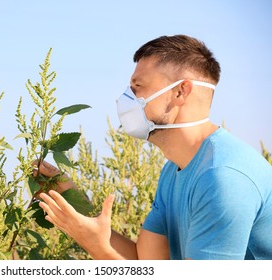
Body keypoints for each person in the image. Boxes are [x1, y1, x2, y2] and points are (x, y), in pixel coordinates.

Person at [37, 34, 272, 260]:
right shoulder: (174, 170)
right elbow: (147, 264)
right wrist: (80, 209)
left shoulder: (223, 178)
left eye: (137, 87)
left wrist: (93, 242)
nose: (126, 98)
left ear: (180, 92)